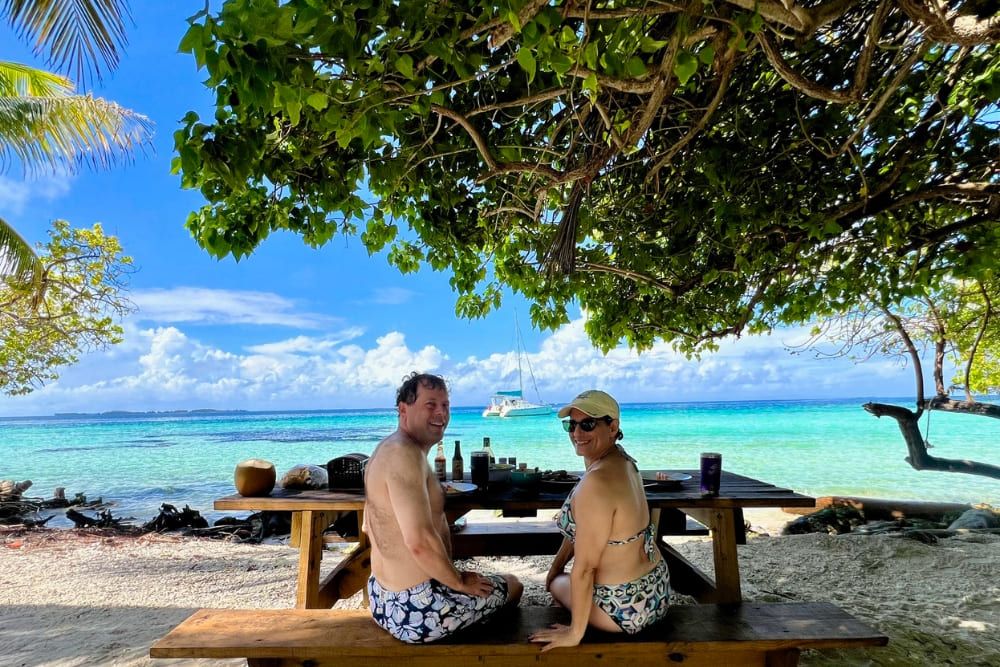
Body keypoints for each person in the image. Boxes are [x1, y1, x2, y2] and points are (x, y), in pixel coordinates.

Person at [363, 372, 523, 643]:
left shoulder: (385, 450)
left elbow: (369, 526)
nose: (441, 413)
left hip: (381, 599)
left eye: (445, 405)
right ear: (404, 409)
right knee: (514, 585)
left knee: (491, 583)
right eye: (431, 404)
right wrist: (459, 581)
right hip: (418, 609)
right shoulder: (405, 456)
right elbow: (419, 542)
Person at [529, 390, 670, 651]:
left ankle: (578, 625)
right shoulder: (624, 461)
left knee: (558, 585)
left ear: (613, 427)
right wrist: (555, 568)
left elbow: (585, 569)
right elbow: (582, 532)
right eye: (571, 425)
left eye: (588, 424)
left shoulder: (595, 483)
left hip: (624, 612)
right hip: (657, 592)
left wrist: (574, 634)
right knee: (558, 579)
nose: (577, 433)